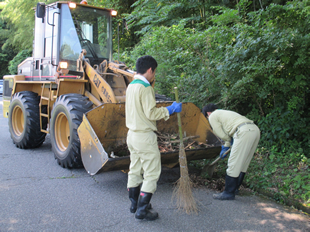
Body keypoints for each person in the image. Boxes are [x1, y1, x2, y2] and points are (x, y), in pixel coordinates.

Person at [126, 55, 182, 220]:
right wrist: (169, 110)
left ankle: (134, 204)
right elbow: (151, 113)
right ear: (150, 70)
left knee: (135, 169)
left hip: (131, 135)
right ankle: (143, 210)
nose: (154, 75)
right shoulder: (145, 88)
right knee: (152, 172)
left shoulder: (131, 86)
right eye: (154, 72)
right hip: (144, 136)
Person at [202, 103, 260, 200]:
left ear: (208, 113)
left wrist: (226, 145)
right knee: (243, 162)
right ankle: (235, 188)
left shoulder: (213, 116)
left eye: (207, 117)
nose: (208, 119)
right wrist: (228, 143)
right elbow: (228, 135)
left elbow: (221, 134)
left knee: (233, 162)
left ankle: (228, 193)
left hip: (243, 132)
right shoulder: (224, 113)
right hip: (254, 130)